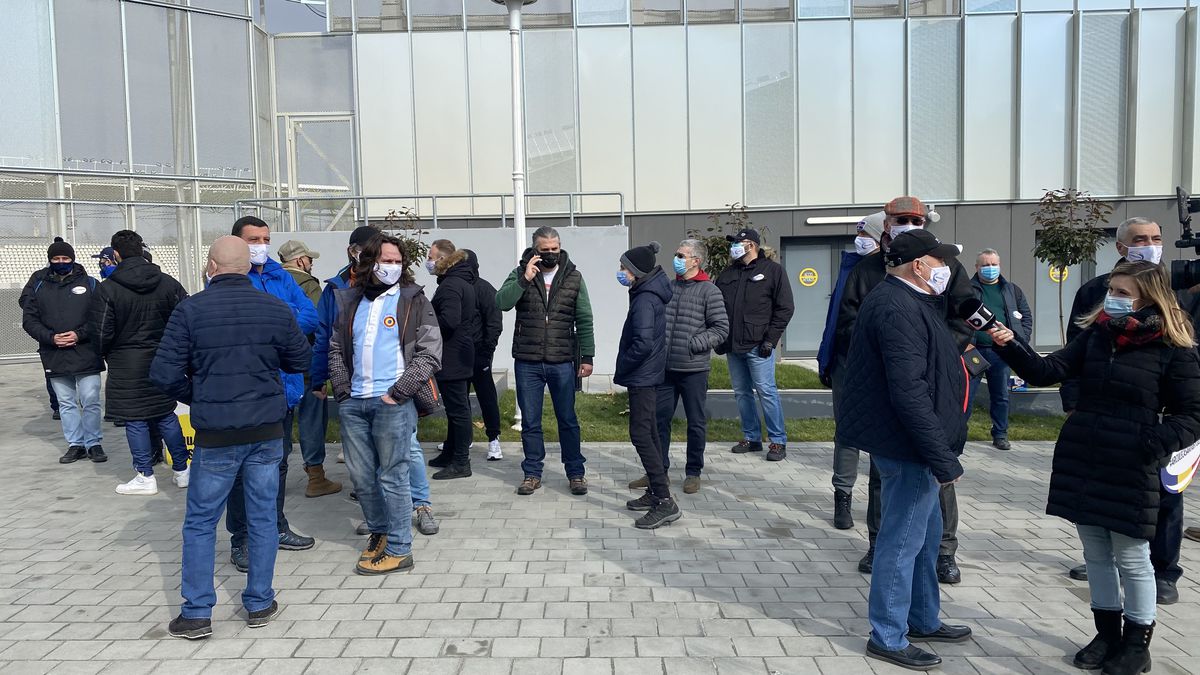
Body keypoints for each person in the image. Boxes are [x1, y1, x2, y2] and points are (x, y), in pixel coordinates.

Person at [989, 261, 1200, 675]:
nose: (1113, 299)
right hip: (1086, 455)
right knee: (1096, 554)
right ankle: (1106, 634)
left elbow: (1191, 415)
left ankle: (1136, 645)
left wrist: (1150, 444)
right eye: (1112, 290)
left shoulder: (1174, 347)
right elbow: (1047, 370)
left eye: (1123, 292)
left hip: (1132, 460)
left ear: (1148, 298)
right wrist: (1010, 344)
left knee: (1133, 556)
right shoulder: (1098, 334)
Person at [151, 236, 312, 640]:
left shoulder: (190, 310)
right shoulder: (275, 308)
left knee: (201, 522)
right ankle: (259, 603)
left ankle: (197, 613)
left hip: (216, 435)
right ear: (248, 266)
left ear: (210, 266)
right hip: (266, 431)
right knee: (261, 519)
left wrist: (198, 393)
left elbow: (164, 374)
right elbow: (300, 360)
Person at [836, 229, 973, 672]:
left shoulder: (910, 301)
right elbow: (909, 391)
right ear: (919, 265)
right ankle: (887, 635)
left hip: (914, 442)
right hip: (910, 445)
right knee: (902, 540)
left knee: (927, 536)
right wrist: (940, 455)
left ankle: (922, 618)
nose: (947, 270)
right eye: (941, 262)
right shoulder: (896, 306)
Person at [1058, 218, 1185, 605]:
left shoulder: (1181, 290)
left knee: (1165, 499)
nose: (1150, 244)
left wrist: (1159, 438)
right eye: (1140, 239)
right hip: (1102, 428)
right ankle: (1107, 615)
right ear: (1120, 247)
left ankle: (1165, 570)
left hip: (1160, 427)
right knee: (1103, 527)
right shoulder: (1097, 299)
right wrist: (1074, 403)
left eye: (1156, 238)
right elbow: (1071, 354)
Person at [310, 226, 441, 536]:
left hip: (394, 400)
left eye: (397, 261)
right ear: (368, 261)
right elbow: (333, 347)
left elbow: (430, 352)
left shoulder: (413, 300)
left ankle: (410, 522)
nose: (391, 266)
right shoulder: (346, 298)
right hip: (355, 401)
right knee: (363, 475)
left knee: (401, 465)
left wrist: (399, 393)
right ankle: (380, 526)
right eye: (386, 260)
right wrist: (342, 392)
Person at [226, 216, 320, 572]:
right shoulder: (230, 280)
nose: (261, 244)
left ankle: (276, 526)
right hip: (247, 391)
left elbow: (310, 317)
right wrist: (282, 321)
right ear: (236, 243)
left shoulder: (282, 277)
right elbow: (237, 327)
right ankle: (243, 538)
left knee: (278, 463)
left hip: (285, 387)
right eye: (254, 239)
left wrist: (272, 322)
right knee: (241, 468)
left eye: (265, 238)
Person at [496, 226, 595, 497]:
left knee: (568, 419)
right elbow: (501, 302)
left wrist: (587, 356)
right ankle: (532, 473)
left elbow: (584, 318)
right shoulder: (519, 274)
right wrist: (524, 280)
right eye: (545, 250)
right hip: (528, 361)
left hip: (562, 360)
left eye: (555, 249)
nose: (551, 254)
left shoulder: (574, 277)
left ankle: (576, 473)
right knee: (530, 421)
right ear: (534, 250)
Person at [91, 230, 190, 495]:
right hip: (163, 357)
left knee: (135, 419)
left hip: (126, 362)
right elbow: (186, 317)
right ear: (143, 250)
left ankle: (145, 475)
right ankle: (182, 470)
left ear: (116, 254)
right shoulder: (168, 283)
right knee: (166, 413)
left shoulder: (108, 288)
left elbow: (101, 332)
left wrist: (107, 353)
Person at [646, 238, 728, 495]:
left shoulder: (709, 291)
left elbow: (721, 329)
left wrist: (695, 344)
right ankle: (659, 472)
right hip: (666, 368)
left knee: (695, 422)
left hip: (693, 368)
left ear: (696, 260)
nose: (677, 259)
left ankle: (693, 472)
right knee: (659, 421)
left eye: (682, 256)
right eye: (677, 254)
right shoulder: (669, 287)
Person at [819, 212, 884, 530]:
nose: (860, 239)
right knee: (846, 432)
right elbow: (834, 318)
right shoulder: (850, 265)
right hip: (846, 360)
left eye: (866, 234)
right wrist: (825, 357)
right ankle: (842, 497)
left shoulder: (893, 269)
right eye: (859, 233)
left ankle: (879, 503)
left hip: (881, 364)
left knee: (882, 437)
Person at [714, 227, 795, 462]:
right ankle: (751, 437)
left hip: (759, 345)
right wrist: (719, 338)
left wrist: (770, 339)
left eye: (738, 243)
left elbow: (785, 308)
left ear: (751, 245)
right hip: (733, 345)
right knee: (741, 393)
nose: (733, 248)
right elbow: (717, 308)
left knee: (766, 391)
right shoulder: (727, 274)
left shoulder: (773, 271)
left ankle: (778, 441)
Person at [22, 237, 105, 464]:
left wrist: (79, 334)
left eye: (65, 258)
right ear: (49, 260)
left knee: (90, 398)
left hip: (86, 351)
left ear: (73, 259)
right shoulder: (38, 285)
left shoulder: (91, 284)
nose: (61, 262)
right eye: (56, 258)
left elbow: (100, 316)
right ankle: (75, 444)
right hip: (54, 353)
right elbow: (29, 319)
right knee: (66, 402)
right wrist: (51, 337)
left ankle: (94, 443)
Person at [615, 242, 680, 528]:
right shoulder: (649, 292)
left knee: (641, 433)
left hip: (642, 374)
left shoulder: (644, 299)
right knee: (650, 430)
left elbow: (641, 343)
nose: (620, 272)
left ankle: (665, 501)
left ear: (635, 271)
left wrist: (624, 366)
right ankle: (655, 491)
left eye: (623, 268)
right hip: (649, 373)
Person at [277, 239, 341, 498]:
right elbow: (320, 325)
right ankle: (316, 477)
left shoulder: (270, 282)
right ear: (300, 261)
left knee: (281, 424)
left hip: (278, 367)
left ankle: (276, 475)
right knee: (311, 421)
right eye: (309, 259)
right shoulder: (308, 285)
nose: (312, 263)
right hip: (304, 364)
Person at [424, 239, 480, 480]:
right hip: (460, 352)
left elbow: (449, 320)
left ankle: (460, 461)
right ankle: (450, 452)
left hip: (452, 354)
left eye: (431, 256)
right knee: (456, 408)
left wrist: (426, 327)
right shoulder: (459, 281)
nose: (428, 260)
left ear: (443, 259)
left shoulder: (450, 286)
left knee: (458, 410)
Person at [968, 249, 1032, 452]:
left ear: (1000, 265)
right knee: (966, 395)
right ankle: (958, 432)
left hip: (1001, 352)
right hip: (973, 351)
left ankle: (1000, 434)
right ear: (977, 268)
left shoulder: (1011, 290)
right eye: (985, 265)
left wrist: (1018, 340)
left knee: (1001, 395)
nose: (990, 269)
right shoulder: (968, 290)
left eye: (994, 264)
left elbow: (1026, 317)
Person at [465, 249, 504, 461]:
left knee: (486, 397)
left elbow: (494, 323)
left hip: (480, 354)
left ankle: (494, 440)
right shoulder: (452, 287)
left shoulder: (485, 290)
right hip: (456, 357)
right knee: (458, 400)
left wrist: (486, 351)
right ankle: (462, 438)